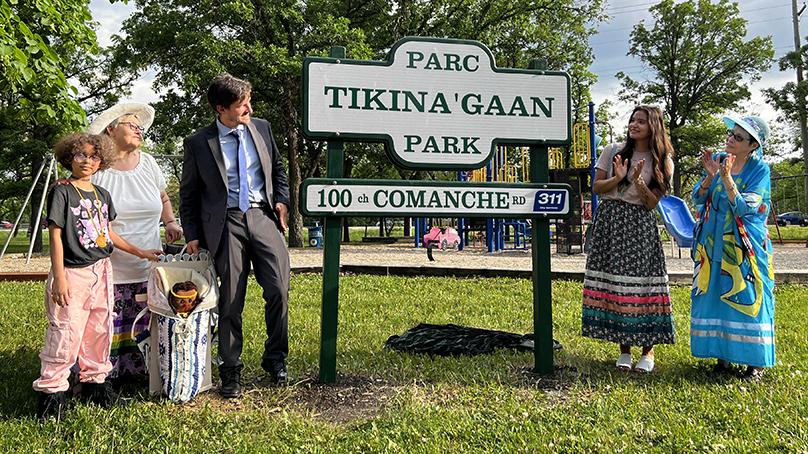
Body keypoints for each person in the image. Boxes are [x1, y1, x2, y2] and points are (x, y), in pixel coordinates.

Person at [33, 133, 161, 420]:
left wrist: (140, 252)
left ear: (101, 160)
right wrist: (60, 277)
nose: (87, 161)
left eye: (93, 156)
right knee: (66, 331)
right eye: (81, 155)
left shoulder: (102, 194)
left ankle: (96, 388)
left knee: (99, 329)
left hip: (101, 270)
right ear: (69, 158)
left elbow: (108, 234)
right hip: (73, 272)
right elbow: (55, 236)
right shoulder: (62, 191)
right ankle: (52, 395)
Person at [180, 74, 291, 398]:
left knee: (279, 290)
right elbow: (189, 194)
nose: (249, 109)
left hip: (262, 215)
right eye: (242, 106)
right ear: (221, 108)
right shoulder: (198, 143)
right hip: (225, 222)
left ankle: (275, 358)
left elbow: (278, 170)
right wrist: (193, 234)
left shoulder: (263, 128)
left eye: (249, 103)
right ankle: (231, 369)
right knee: (230, 299)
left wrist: (281, 200)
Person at [87, 102, 183, 383]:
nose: (139, 130)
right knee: (106, 324)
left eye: (141, 127)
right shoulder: (96, 168)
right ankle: (102, 375)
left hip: (148, 266)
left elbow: (163, 197)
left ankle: (143, 373)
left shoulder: (149, 163)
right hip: (109, 267)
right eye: (132, 124)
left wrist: (170, 222)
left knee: (144, 317)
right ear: (111, 128)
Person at [582, 105, 675, 373]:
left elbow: (651, 204)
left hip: (639, 224)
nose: (634, 125)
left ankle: (648, 351)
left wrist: (638, 183)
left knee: (643, 285)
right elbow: (596, 188)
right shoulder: (613, 150)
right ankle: (624, 348)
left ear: (653, 126)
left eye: (641, 121)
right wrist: (619, 178)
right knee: (616, 285)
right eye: (633, 120)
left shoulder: (662, 159)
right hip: (611, 222)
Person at [690, 115, 775, 380]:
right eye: (731, 134)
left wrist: (726, 178)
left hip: (744, 245)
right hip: (715, 243)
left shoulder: (759, 169)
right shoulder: (718, 159)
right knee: (717, 292)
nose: (731, 139)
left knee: (747, 294)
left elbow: (747, 207)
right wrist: (709, 177)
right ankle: (722, 358)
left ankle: (755, 364)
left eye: (739, 137)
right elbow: (698, 199)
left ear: (753, 145)